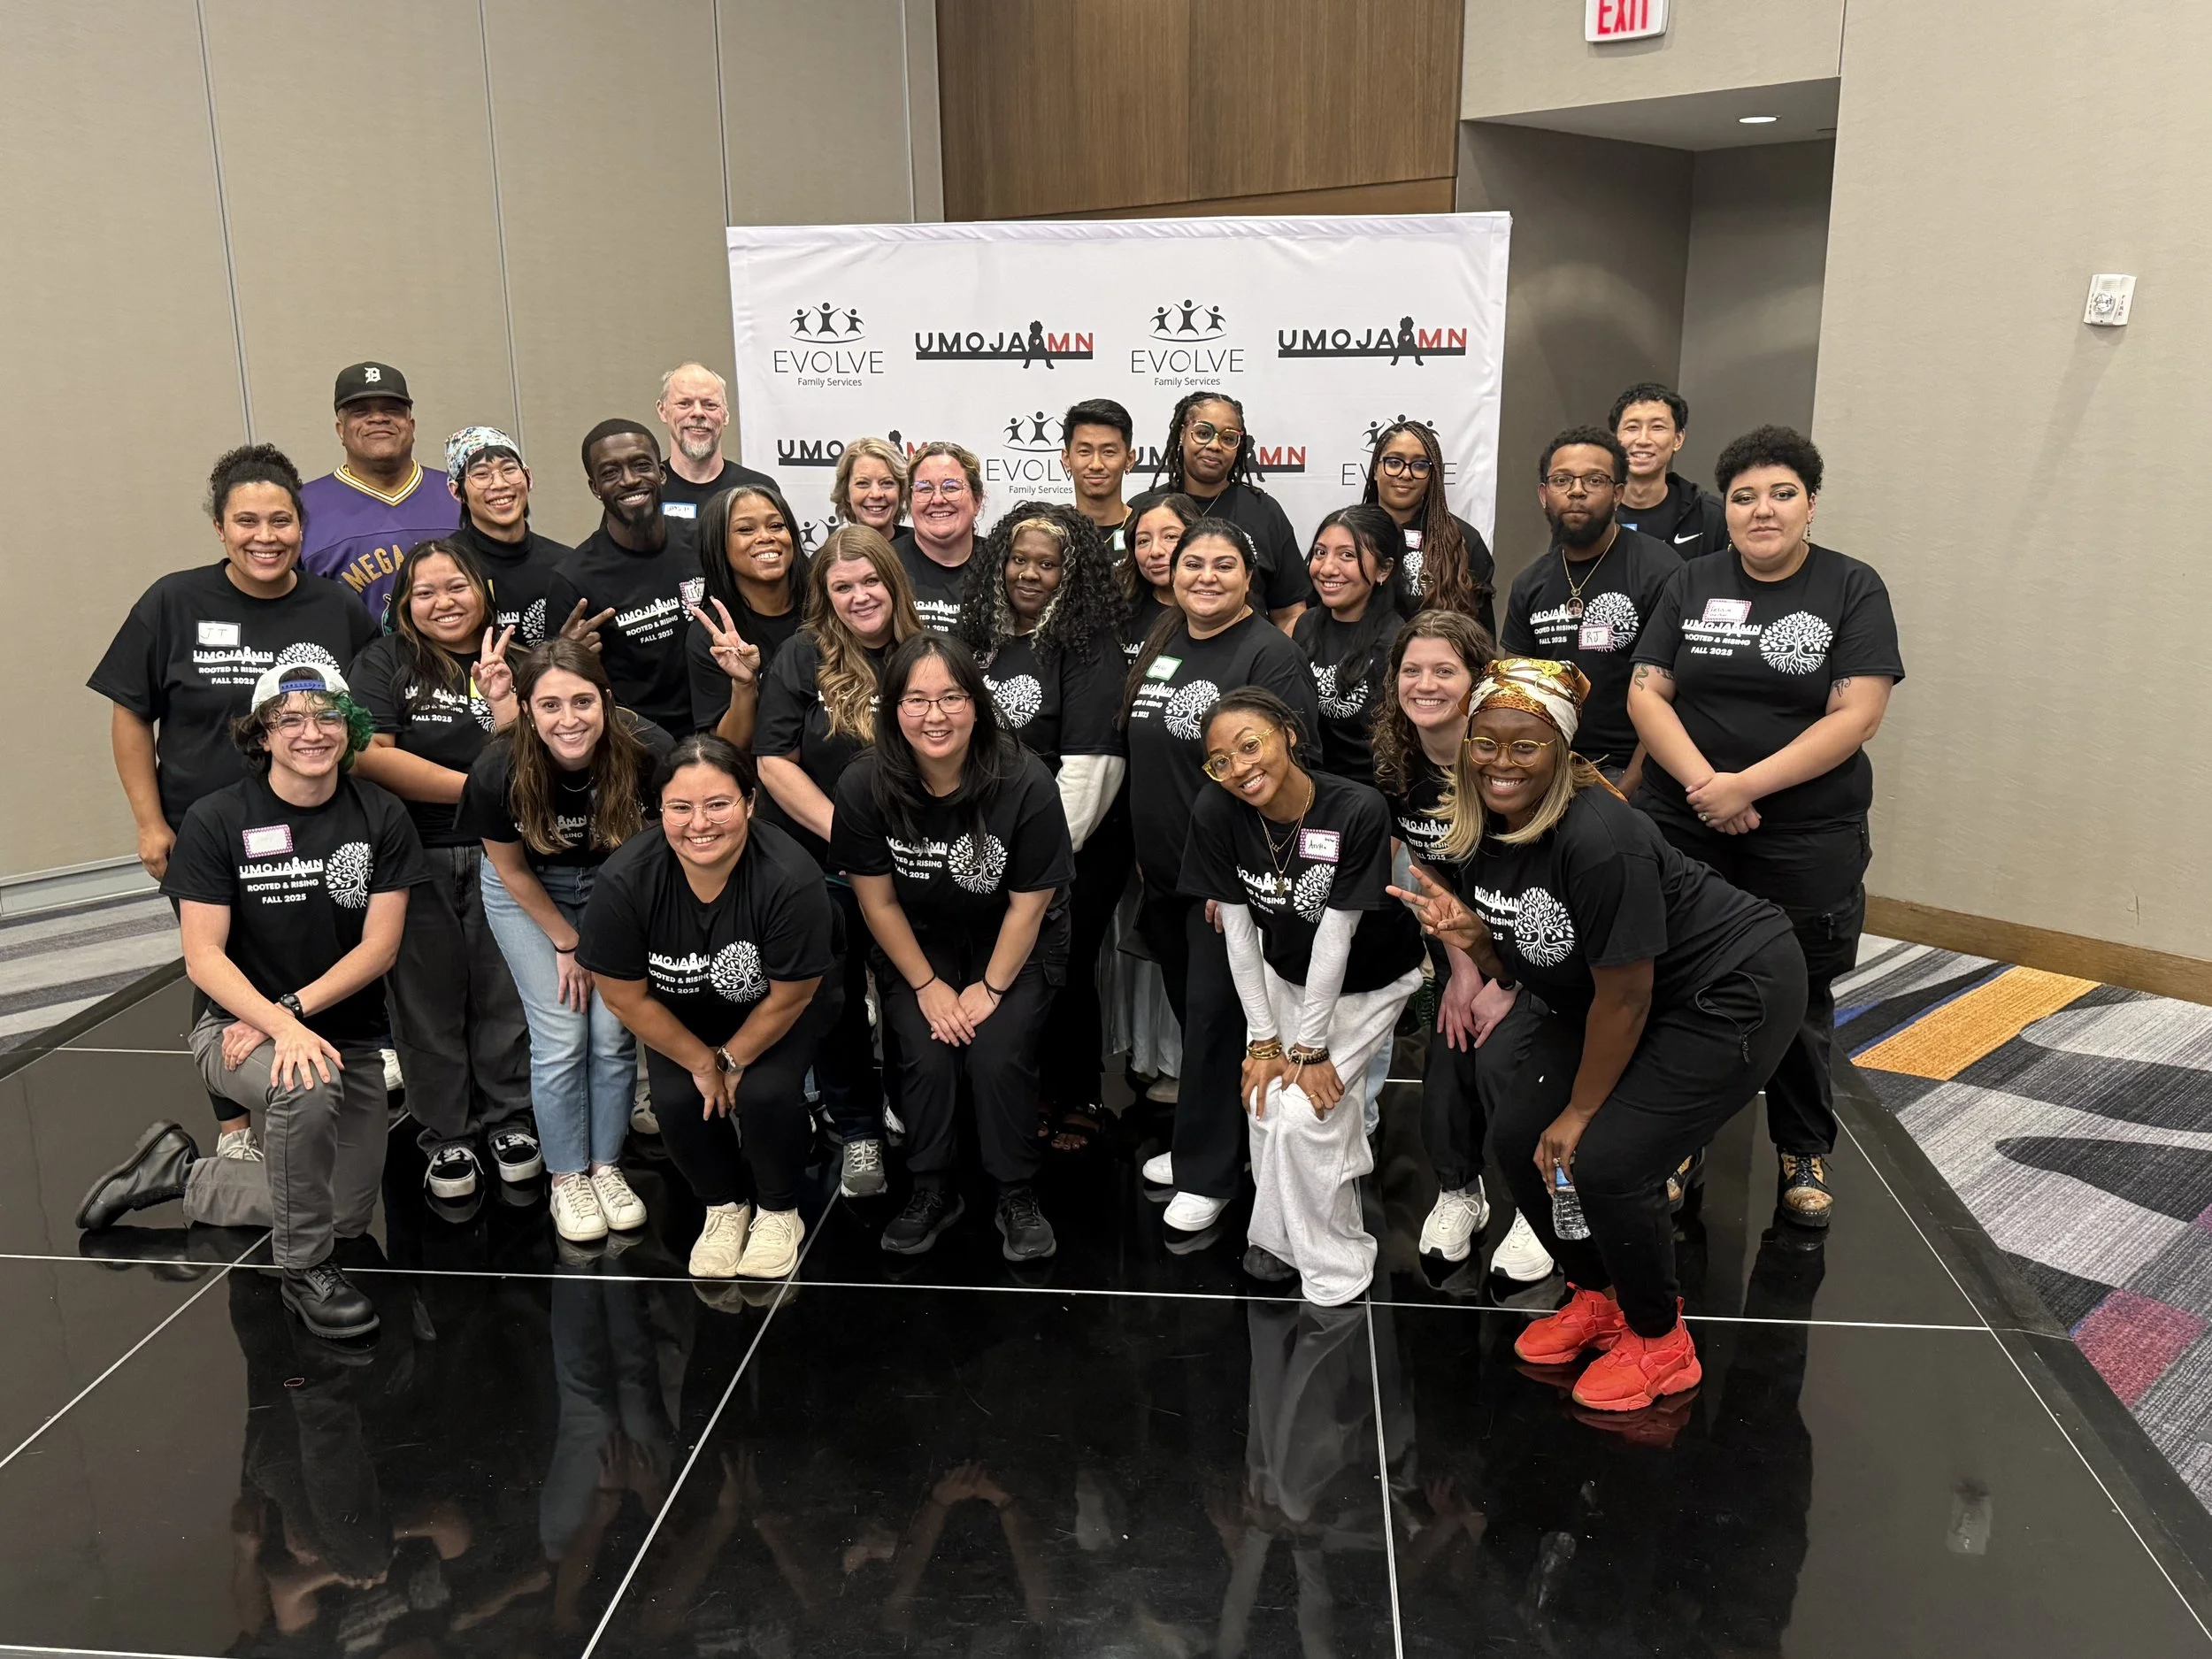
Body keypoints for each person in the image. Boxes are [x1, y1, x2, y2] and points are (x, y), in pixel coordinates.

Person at [1389, 657, 1807, 1412]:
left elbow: (1626, 994)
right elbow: (1542, 949)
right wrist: (1479, 944)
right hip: (1618, 990)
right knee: (1518, 1133)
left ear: (1564, 753)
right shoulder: (1484, 824)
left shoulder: (1599, 836)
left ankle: (1660, 1340)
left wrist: (1581, 1112)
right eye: (1487, 743)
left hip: (1730, 987)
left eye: (1527, 746)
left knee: (1607, 1159)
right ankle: (1599, 1293)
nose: (1502, 763)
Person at [76, 660, 428, 1341]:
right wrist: (275, 1023)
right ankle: (305, 1271)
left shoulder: (380, 814)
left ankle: (181, 1173)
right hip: (234, 1033)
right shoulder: (218, 819)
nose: (311, 731)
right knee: (306, 1085)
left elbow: (379, 948)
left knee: (344, 1211)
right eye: (290, 718)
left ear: (350, 728)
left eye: (328, 715)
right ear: (262, 733)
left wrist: (292, 1011)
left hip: (338, 1033)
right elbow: (202, 954)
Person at [1627, 426, 1903, 1227]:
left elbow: (1859, 715)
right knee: (1679, 984)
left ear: (1810, 504)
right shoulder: (1690, 582)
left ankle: (1803, 1146)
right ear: (1728, 508)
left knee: (1799, 991)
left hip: (1804, 832)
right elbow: (1648, 693)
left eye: (1782, 493)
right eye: (1744, 496)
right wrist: (1705, 786)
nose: (1762, 510)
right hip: (1687, 823)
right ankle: (1680, 1139)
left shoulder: (1853, 587)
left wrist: (1744, 785)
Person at [91, 443, 380, 1146]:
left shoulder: (335, 607)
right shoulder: (174, 601)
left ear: (302, 526)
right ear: (220, 527)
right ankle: (234, 1126)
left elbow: (370, 705)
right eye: (246, 520)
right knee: (220, 961)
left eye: (281, 520)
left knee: (305, 948)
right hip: (203, 827)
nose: (265, 536)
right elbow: (130, 712)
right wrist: (148, 821)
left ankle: (311, 1073)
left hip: (318, 820)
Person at [831, 635, 1073, 1260]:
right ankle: (933, 1186)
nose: (934, 716)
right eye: (916, 700)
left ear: (977, 704)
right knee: (923, 1047)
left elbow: (1030, 903)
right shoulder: (863, 783)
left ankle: (1015, 1190)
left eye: (951, 697)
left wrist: (990, 988)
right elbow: (876, 901)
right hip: (918, 940)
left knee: (997, 1050)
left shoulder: (1026, 779)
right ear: (892, 708)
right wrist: (927, 985)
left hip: (1013, 940)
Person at [1180, 690, 1424, 1303]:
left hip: (1367, 983)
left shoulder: (1356, 807)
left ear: (1288, 733)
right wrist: (1264, 1041)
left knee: (1307, 1115)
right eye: (1220, 760)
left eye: (1250, 744)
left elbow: (1337, 937)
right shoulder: (1217, 810)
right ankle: (1278, 1235)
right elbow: (1237, 933)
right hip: (1284, 971)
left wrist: (1309, 1049)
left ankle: (1337, 1256)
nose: (1239, 767)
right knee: (1264, 1100)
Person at [581, 736, 842, 1279]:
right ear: (660, 812)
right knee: (678, 1103)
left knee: (768, 1092)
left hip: (777, 1008)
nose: (699, 823)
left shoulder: (790, 877)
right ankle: (723, 1206)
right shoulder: (626, 880)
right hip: (680, 1019)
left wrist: (732, 1059)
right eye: (680, 807)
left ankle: (778, 1209)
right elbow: (624, 994)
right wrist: (703, 1062)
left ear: (749, 802)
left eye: (718, 804)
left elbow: (793, 992)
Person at [1124, 520, 1320, 1236]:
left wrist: (1232, 878)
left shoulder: (1268, 653)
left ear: (1251, 576)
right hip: (1168, 875)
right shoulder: (1168, 638)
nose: (1205, 576)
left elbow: (1290, 771)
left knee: (1213, 1021)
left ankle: (1209, 1174)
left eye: (1224, 565)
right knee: (1198, 1014)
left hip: (1225, 885)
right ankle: (1211, 1142)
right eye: (1191, 563)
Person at [458, 640, 675, 1245]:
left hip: (617, 887)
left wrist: (603, 937)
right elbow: (509, 869)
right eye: (550, 704)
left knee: (612, 1032)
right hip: (529, 890)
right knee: (560, 1031)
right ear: (526, 709)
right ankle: (565, 1177)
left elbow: (659, 847)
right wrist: (566, 942)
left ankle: (604, 1167)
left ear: (607, 701)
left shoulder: (647, 749)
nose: (569, 718)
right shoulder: (497, 768)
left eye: (583, 700)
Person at [349, 539, 536, 1206]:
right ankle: (446, 1132)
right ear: (404, 604)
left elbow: (541, 756)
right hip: (412, 857)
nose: (442, 602)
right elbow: (371, 755)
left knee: (503, 993)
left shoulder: (518, 661)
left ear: (481, 588)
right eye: (423, 592)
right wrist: (476, 788)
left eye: (454, 586)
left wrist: (505, 701)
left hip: (506, 853)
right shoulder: (384, 663)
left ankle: (511, 1119)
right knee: (425, 1001)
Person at [1370, 612, 1553, 1283]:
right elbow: (1433, 871)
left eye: (1444, 669)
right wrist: (1462, 973)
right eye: (1411, 670)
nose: (1425, 684)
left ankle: (1540, 1205)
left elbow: (1545, 886)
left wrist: (1507, 983)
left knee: (1507, 1059)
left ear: (1479, 679)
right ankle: (1458, 1192)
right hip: (1473, 944)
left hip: (1548, 950)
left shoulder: (1512, 762)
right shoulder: (1402, 760)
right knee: (1449, 1050)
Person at [755, 526, 925, 1198]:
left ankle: (921, 1116)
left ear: (894, 580)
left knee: (913, 999)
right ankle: (858, 1130)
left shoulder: (926, 655)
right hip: (819, 870)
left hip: (914, 869)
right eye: (842, 586)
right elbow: (772, 761)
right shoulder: (804, 655)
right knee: (835, 1005)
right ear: (825, 595)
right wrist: (851, 842)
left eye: (871, 581)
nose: (860, 596)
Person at [953, 502, 1128, 1150]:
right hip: (984, 844)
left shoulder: (1088, 645)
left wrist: (1032, 862)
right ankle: (1018, 1088)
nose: (1030, 574)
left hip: (1073, 844)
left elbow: (1092, 769)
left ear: (1071, 573)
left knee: (1065, 966)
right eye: (1018, 560)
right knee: (1005, 967)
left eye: (1047, 564)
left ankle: (1076, 1090)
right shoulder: (979, 637)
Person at [1500, 427, 1681, 788]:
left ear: (1617, 494)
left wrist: (1629, 785)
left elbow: (1676, 691)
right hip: (1548, 767)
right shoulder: (1529, 583)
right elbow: (1518, 691)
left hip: (1636, 769)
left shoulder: (1661, 570)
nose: (1576, 491)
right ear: (1543, 494)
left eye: (1594, 480)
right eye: (1562, 480)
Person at [546, 420, 699, 737]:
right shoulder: (572, 578)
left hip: (718, 730)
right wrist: (566, 659)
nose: (629, 480)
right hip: (635, 743)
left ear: (662, 472)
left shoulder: (702, 543)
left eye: (641, 465)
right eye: (610, 472)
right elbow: (556, 686)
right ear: (594, 488)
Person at [300, 362, 461, 625]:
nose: (378, 418)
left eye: (392, 410)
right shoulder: (302, 507)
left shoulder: (457, 494)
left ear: (411, 425)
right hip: (350, 663)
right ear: (341, 430)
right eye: (360, 411)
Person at [1138, 391, 1309, 628]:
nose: (1214, 446)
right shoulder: (1145, 510)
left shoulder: (1264, 512)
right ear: (1182, 434)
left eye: (1228, 438)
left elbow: (1290, 612)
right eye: (1203, 433)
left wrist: (1276, 661)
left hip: (1247, 659)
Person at [1292, 505, 1413, 787]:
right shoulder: (1305, 625)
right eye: (1320, 553)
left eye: (1347, 555)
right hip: (1309, 789)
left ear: (1384, 569)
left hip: (1370, 797)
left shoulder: (1398, 642)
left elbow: (1401, 749)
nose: (1327, 568)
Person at [444, 425, 596, 649]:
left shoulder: (566, 564)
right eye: (481, 474)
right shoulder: (444, 567)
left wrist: (574, 654)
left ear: (528, 477)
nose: (499, 484)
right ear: (456, 491)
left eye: (509, 469)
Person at [684, 482, 807, 741]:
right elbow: (726, 747)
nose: (765, 537)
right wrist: (744, 684)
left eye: (776, 526)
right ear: (719, 545)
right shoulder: (711, 636)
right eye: (746, 529)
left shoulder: (827, 605)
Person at [1360, 418, 1495, 634]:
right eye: (1394, 462)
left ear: (1432, 476)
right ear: (1375, 470)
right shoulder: (1347, 533)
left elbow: (1482, 637)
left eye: (1420, 465)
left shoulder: (1462, 540)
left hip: (1435, 664)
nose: (1405, 474)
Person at [1609, 383, 1729, 560]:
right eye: (1632, 428)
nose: (1643, 440)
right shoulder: (1591, 511)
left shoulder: (1711, 516)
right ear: (1615, 439)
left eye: (1657, 427)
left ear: (1678, 439)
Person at [656, 363, 776, 518]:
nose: (698, 413)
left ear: (725, 415)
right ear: (662, 411)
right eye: (684, 404)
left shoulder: (760, 489)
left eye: (710, 405)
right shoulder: (649, 491)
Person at [892, 441, 984, 632]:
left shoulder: (1001, 565)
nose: (938, 499)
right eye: (924, 489)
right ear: (910, 502)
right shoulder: (885, 563)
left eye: (951, 487)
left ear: (977, 501)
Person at [1116, 494, 1193, 663]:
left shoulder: (1216, 614)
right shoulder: (1118, 613)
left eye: (1170, 537)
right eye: (1143, 541)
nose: (1155, 551)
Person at [1059, 398, 1139, 556]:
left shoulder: (1146, 530)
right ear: (1066, 459)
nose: (1096, 465)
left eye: (1109, 452)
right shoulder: (1054, 534)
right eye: (1084, 452)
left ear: (1129, 460)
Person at [830, 435, 908, 541]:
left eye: (887, 483)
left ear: (901, 491)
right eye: (862, 483)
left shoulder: (926, 549)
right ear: (846, 492)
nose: (876, 494)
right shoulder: (829, 555)